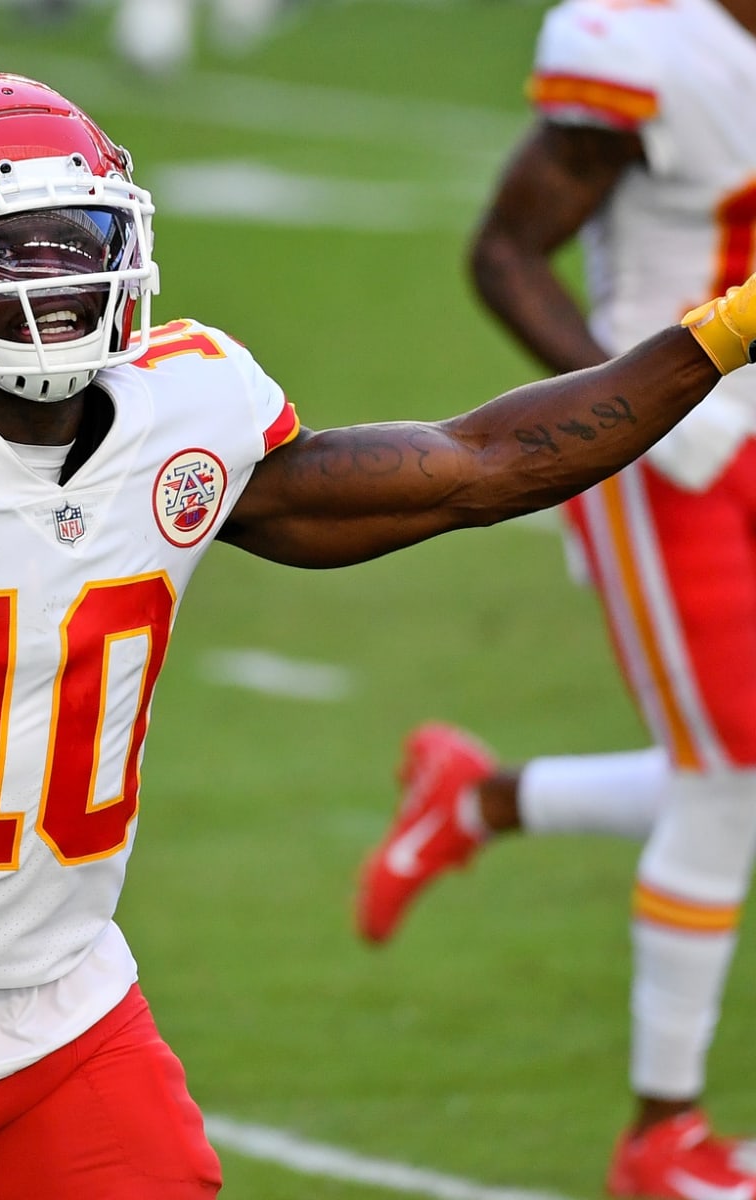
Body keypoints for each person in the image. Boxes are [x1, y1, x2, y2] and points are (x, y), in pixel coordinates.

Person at [0, 70, 756, 1200]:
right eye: (10, 249)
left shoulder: (179, 418)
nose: (59, 277)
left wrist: (716, 336)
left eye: (79, 237)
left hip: (75, 1010)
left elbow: (478, 467)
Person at [355, 2, 756, 1197]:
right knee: (733, 765)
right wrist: (631, 410)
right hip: (671, 455)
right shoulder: (645, 47)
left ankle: (474, 802)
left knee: (731, 769)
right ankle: (661, 1137)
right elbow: (505, 252)